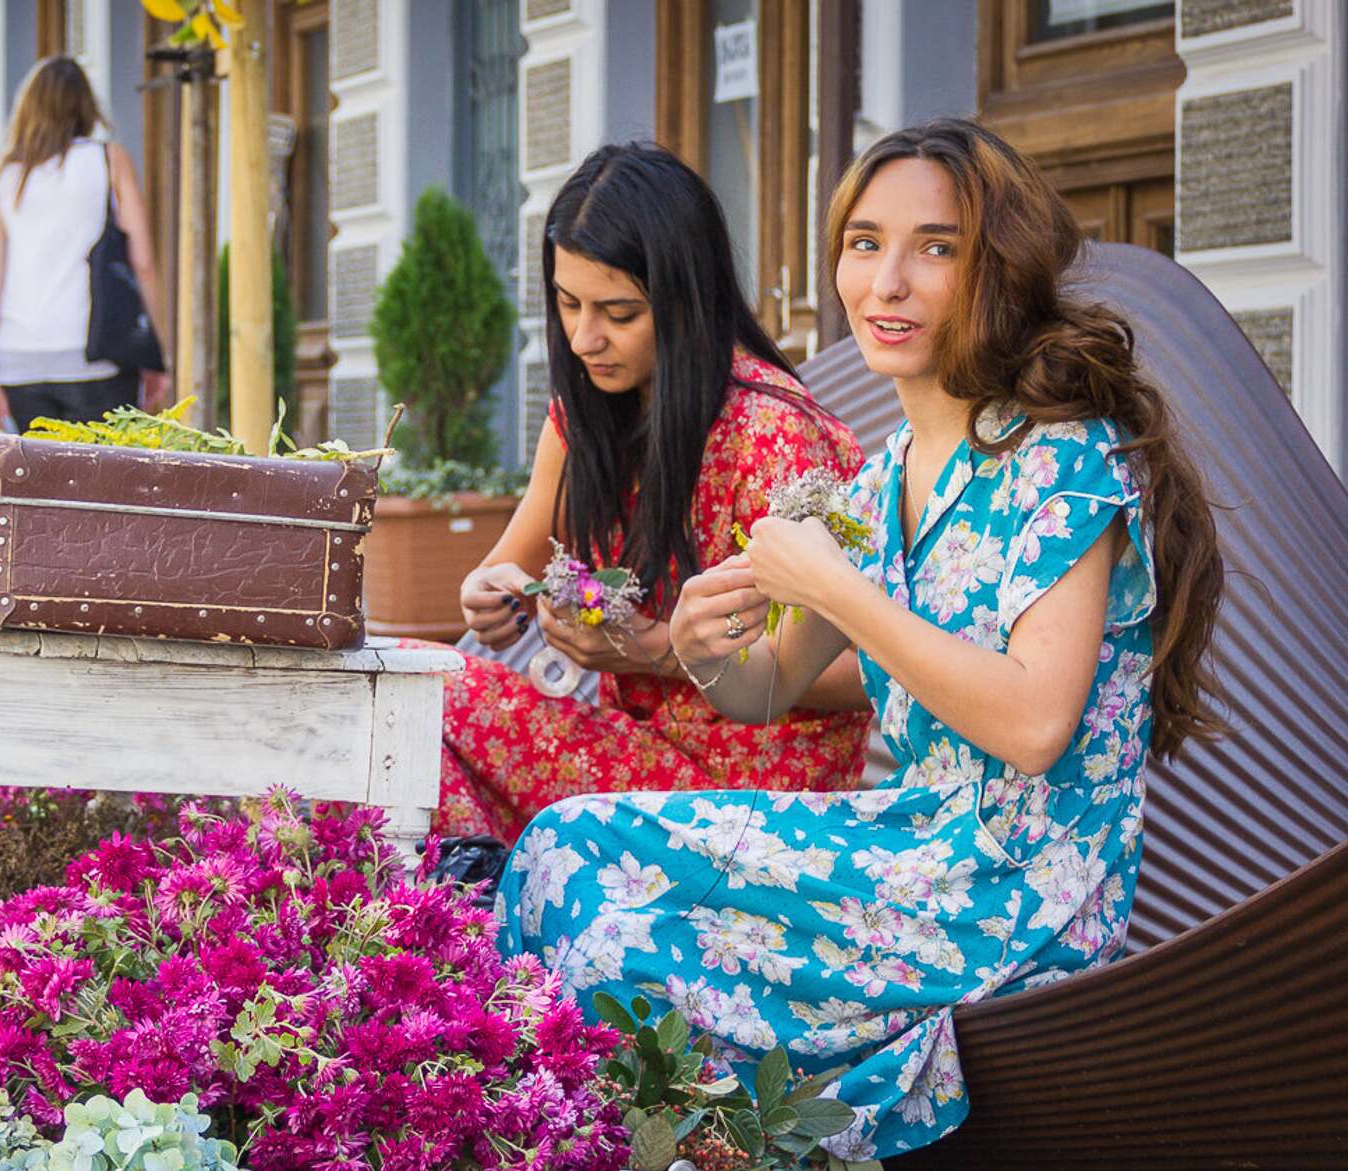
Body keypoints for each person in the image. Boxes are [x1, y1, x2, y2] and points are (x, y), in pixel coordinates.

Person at [497, 119, 1227, 1158]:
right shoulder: (879, 482)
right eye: (863, 242)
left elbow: (1032, 722)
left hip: (1017, 892)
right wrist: (701, 645)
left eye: (934, 247)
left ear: (995, 269)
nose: (884, 282)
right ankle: (639, 1138)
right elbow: (760, 689)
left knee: (578, 871)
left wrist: (837, 586)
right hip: (912, 847)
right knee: (556, 856)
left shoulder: (1060, 459)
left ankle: (682, 1139)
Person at [435, 143, 871, 842]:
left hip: (755, 801)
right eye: (567, 303)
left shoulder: (773, 437)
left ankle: (457, 918)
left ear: (683, 299)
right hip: (631, 754)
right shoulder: (586, 413)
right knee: (406, 687)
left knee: (426, 695)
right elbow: (505, 566)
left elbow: (865, 667)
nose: (583, 337)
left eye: (618, 312)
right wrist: (491, 596)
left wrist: (662, 651)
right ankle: (461, 911)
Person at [0, 55, 168, 429]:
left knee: (41, 484)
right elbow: (142, 262)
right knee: (104, 482)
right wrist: (156, 352)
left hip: (21, 362)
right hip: (99, 357)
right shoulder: (109, 160)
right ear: (85, 106)